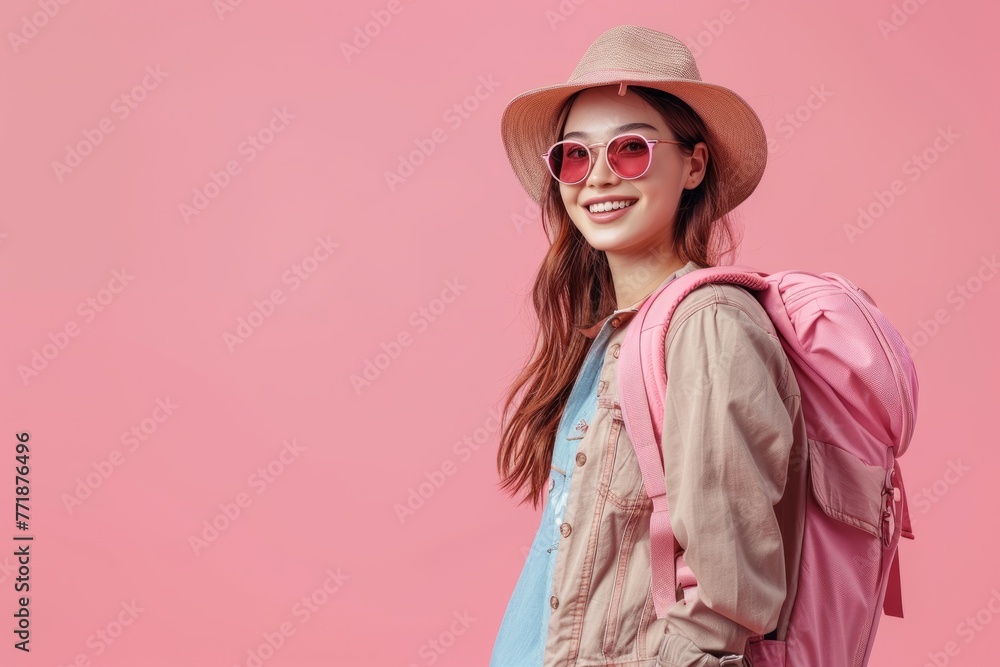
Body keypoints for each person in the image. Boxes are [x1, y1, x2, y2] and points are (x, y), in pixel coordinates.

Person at [490, 25, 809, 667]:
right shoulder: (612, 333)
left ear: (693, 164)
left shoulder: (709, 325)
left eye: (631, 149)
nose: (599, 177)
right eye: (575, 156)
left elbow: (730, 599)